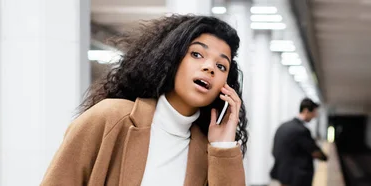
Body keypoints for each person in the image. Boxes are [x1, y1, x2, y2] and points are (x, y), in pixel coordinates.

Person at [41, 15, 248, 185]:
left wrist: (223, 147)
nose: (209, 67)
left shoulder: (207, 151)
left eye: (221, 66)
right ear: (172, 58)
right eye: (196, 54)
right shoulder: (110, 117)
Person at [271, 98, 328, 186]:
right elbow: (315, 152)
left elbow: (274, 150)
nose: (315, 116)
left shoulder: (283, 126)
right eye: (314, 112)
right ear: (306, 111)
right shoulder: (302, 130)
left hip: (283, 175)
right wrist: (325, 157)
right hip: (298, 179)